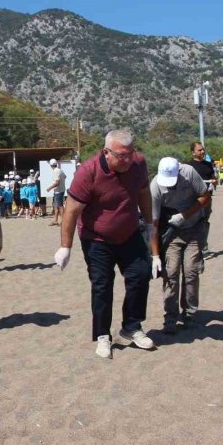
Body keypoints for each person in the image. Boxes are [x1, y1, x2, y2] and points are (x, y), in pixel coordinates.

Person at [53, 129, 155, 359]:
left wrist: (150, 224)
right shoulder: (88, 172)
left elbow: (144, 193)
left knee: (140, 275)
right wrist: (65, 247)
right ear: (106, 152)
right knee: (102, 285)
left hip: (129, 233)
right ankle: (102, 335)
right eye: (122, 156)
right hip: (96, 239)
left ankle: (131, 326)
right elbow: (70, 211)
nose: (127, 159)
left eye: (130, 153)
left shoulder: (138, 164)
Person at [150, 158, 211, 333]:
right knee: (171, 273)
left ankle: (190, 314)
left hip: (194, 229)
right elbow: (153, 223)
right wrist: (155, 256)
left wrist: (185, 215)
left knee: (191, 271)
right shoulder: (155, 186)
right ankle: (170, 317)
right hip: (172, 234)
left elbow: (205, 197)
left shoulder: (189, 173)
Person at [187, 142, 217, 259]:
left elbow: (213, 177)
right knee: (193, 223)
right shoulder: (189, 166)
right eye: (199, 150)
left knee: (204, 223)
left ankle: (204, 248)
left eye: (203, 150)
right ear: (193, 152)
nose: (202, 152)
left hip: (207, 199)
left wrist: (214, 181)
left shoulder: (208, 165)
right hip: (194, 200)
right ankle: (193, 249)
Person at [45, 158, 67, 226]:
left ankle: (63, 221)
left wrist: (49, 188)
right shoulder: (60, 170)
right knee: (56, 206)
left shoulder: (55, 171)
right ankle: (55, 221)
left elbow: (57, 182)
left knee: (60, 206)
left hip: (58, 191)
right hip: (61, 190)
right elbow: (65, 177)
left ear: (51, 165)